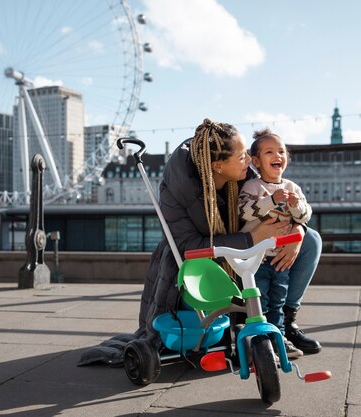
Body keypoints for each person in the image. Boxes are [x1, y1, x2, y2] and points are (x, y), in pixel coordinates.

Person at [78, 118, 320, 367]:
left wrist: (298, 229)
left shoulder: (243, 173)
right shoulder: (178, 188)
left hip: (240, 257)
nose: (248, 160)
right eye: (241, 157)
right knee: (202, 319)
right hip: (194, 270)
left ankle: (285, 322)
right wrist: (251, 238)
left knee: (311, 240)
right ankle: (245, 324)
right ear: (217, 165)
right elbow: (189, 247)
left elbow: (276, 206)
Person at [239, 128, 314, 358]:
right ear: (256, 162)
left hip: (280, 258)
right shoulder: (252, 187)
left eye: (281, 151)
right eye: (269, 152)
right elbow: (245, 212)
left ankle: (279, 337)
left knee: (278, 302)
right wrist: (270, 200)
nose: (277, 156)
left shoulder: (293, 188)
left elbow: (305, 216)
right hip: (257, 259)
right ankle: (259, 342)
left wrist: (295, 206)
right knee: (259, 299)